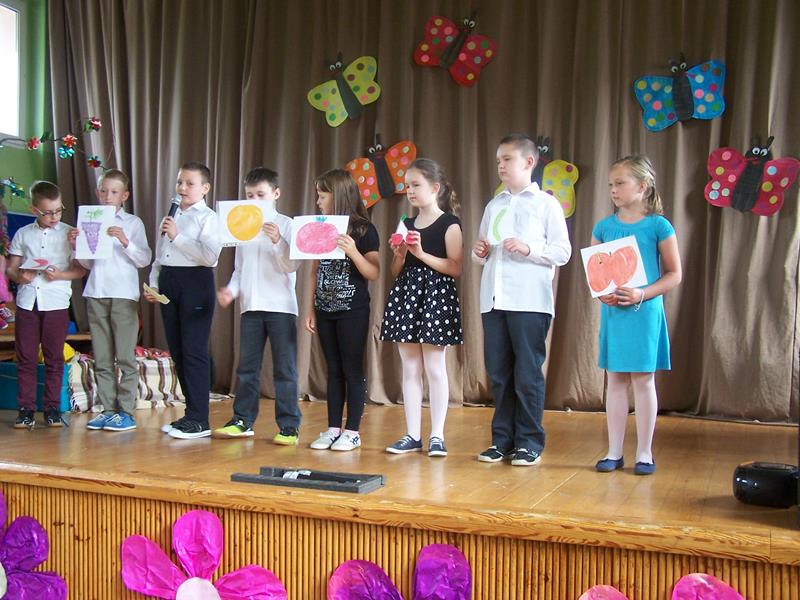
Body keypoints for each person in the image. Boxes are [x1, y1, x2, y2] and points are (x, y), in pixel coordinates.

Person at [473, 134, 571, 467]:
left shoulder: (546, 204)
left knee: (527, 374)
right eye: (498, 160)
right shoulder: (494, 205)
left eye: (507, 159)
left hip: (529, 300)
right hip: (494, 299)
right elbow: (482, 253)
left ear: (529, 162)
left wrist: (529, 249)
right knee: (499, 374)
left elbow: (563, 251)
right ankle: (501, 440)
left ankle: (529, 442)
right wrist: (480, 252)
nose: (501, 166)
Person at [592, 155, 681, 476]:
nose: (613, 190)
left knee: (643, 380)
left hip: (645, 312)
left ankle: (644, 452)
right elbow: (596, 274)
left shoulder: (659, 225)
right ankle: (614, 451)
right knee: (615, 380)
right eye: (610, 184)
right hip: (615, 313)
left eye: (620, 183)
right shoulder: (603, 227)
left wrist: (642, 293)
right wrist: (602, 293)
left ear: (642, 186)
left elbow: (674, 274)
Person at [381, 158, 463, 458]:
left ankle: (437, 435)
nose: (410, 191)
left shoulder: (449, 224)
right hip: (407, 295)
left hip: (436, 297)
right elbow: (395, 271)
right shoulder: (406, 224)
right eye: (407, 186)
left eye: (416, 185)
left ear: (435, 187)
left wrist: (420, 252)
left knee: (435, 367)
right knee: (411, 367)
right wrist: (401, 254)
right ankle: (412, 434)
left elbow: (455, 268)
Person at [213, 167, 302, 444]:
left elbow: (291, 265)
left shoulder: (287, 224)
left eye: (260, 194)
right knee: (247, 368)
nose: (254, 200)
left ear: (275, 194)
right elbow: (240, 269)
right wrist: (231, 291)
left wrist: (277, 241)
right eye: (249, 195)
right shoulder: (243, 226)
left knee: (285, 369)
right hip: (250, 307)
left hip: (281, 307)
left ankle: (289, 426)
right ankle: (242, 420)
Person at [69, 169, 152, 432]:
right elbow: (87, 264)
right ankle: (108, 410)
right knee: (102, 357)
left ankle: (125, 411)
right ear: (97, 192)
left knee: (125, 355)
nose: (107, 196)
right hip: (96, 292)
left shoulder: (133, 223)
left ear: (124, 196)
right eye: (104, 191)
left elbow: (144, 259)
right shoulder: (89, 220)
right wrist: (77, 246)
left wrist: (125, 241)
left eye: (114, 192)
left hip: (124, 295)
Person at [144, 162, 221, 439]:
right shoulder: (172, 214)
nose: (183, 188)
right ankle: (190, 414)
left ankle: (200, 419)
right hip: (169, 282)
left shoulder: (208, 217)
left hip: (195, 283)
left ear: (205, 188)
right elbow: (161, 255)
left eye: (190, 183)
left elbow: (210, 256)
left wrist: (178, 236)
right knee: (177, 351)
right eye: (180, 182)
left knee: (193, 351)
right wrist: (154, 284)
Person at [305, 169, 380, 452]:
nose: (318, 202)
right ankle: (333, 428)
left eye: (322, 196)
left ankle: (352, 431)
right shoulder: (321, 228)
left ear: (338, 196)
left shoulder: (364, 230)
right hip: (325, 310)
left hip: (352, 311)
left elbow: (373, 272)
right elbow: (314, 270)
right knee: (333, 369)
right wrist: (311, 308)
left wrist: (353, 252)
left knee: (352, 369)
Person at [7, 181, 86, 428]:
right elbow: (11, 269)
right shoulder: (23, 233)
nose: (54, 217)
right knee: (26, 358)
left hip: (56, 302)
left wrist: (59, 275)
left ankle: (52, 409)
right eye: (48, 212)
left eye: (58, 210)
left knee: (54, 358)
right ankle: (26, 410)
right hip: (28, 302)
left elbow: (80, 270)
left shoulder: (70, 233)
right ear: (34, 210)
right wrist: (21, 277)